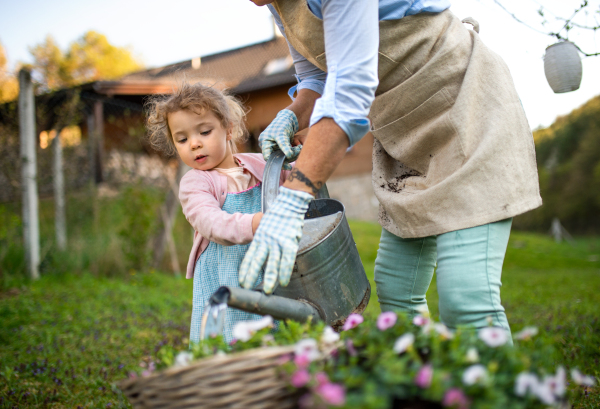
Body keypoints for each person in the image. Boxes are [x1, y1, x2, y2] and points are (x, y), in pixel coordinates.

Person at [240, 0, 542, 339]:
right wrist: (293, 113)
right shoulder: (278, 6)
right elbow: (319, 75)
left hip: (466, 112)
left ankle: (498, 392)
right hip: (406, 139)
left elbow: (348, 93)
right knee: (398, 290)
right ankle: (423, 387)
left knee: (466, 299)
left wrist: (292, 199)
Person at [145, 82, 287, 343]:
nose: (195, 144)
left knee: (275, 331)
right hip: (225, 274)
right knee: (228, 339)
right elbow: (212, 223)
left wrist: (297, 152)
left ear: (229, 129)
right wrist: (257, 222)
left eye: (205, 131)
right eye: (183, 139)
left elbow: (293, 179)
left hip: (266, 266)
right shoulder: (195, 183)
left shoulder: (257, 163)